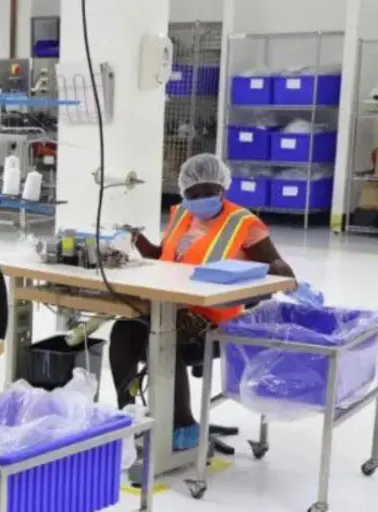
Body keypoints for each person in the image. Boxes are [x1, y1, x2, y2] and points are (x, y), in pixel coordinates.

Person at [109, 153, 295, 460]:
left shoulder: (243, 223)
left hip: (216, 318)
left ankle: (184, 426)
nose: (200, 200)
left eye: (208, 192)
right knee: (124, 330)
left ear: (222, 187)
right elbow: (166, 257)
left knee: (164, 336)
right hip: (172, 306)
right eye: (192, 194)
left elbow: (274, 264)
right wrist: (138, 240)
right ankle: (128, 417)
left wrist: (281, 269)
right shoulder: (182, 214)